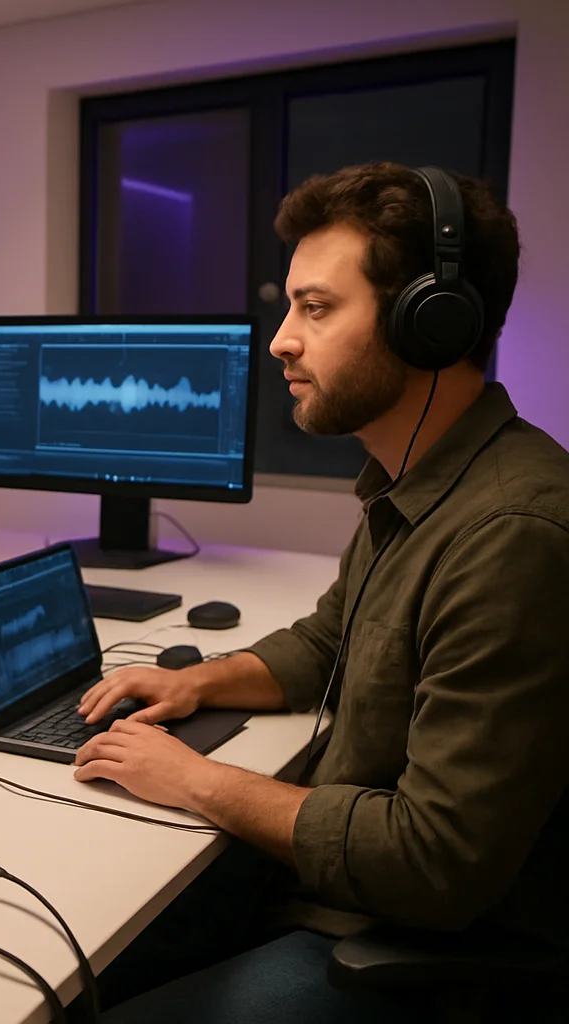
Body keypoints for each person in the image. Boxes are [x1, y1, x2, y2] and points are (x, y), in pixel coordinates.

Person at [71, 162, 569, 1021]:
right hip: (327, 891)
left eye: (317, 307)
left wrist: (195, 782)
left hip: (409, 944)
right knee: (65, 964)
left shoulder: (512, 533)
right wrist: (196, 681)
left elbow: (434, 861)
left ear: (431, 322)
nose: (279, 340)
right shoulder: (410, 482)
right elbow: (328, 640)